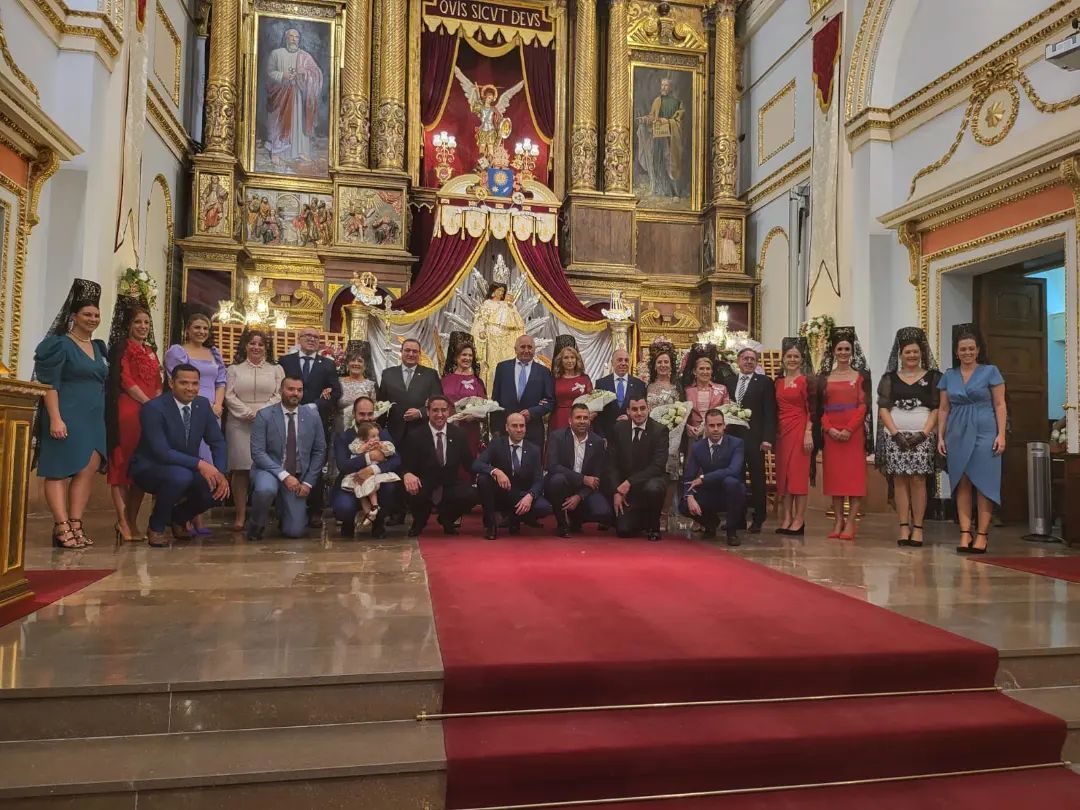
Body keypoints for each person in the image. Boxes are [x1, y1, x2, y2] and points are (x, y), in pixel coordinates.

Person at [33, 279, 108, 549]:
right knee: (59, 470)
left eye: (97, 315)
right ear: (73, 316)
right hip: (65, 414)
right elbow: (49, 385)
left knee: (87, 468)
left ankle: (76, 523)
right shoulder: (59, 345)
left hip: (93, 418)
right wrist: (55, 418)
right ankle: (61, 525)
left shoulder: (100, 348)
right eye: (87, 314)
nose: (92, 319)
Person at [129, 364, 230, 547]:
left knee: (217, 488)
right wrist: (201, 464)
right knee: (180, 476)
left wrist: (220, 472)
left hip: (187, 468)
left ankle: (178, 518)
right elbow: (162, 452)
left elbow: (217, 442)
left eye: (194, 383)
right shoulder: (153, 408)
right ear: (171, 383)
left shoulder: (202, 405)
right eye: (184, 383)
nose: (190, 388)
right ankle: (156, 527)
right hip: (150, 468)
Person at [938, 324, 1006, 554]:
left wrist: (1001, 434)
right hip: (956, 431)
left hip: (985, 429)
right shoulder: (949, 376)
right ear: (957, 352)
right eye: (962, 349)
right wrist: (940, 436)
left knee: (984, 483)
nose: (967, 353)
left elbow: (999, 404)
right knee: (962, 481)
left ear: (977, 350)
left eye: (971, 349)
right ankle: (965, 532)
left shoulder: (990, 372)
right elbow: (944, 408)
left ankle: (983, 534)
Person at [876, 327, 941, 548]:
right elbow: (883, 408)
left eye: (915, 352)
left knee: (918, 479)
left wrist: (924, 433)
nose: (911, 356)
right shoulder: (889, 378)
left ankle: (919, 527)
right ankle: (904, 525)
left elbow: (937, 408)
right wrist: (895, 434)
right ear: (900, 355)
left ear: (921, 353)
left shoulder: (933, 377)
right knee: (900, 479)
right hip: (894, 435)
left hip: (923, 435)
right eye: (907, 352)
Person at [165, 310, 227, 536]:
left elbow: (221, 380)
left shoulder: (214, 352)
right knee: (193, 462)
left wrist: (218, 405)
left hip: (212, 410)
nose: (202, 332)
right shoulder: (178, 351)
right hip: (188, 407)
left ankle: (198, 517)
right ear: (188, 329)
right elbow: (177, 381)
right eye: (197, 327)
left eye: (205, 328)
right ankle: (185, 519)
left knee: (210, 460)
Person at [105, 299, 162, 543]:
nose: (142, 326)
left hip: (150, 411)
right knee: (122, 466)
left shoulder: (151, 351)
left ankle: (132, 519)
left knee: (141, 467)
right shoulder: (122, 347)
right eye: (137, 322)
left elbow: (160, 382)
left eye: (146, 322)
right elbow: (125, 379)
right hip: (129, 411)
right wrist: (148, 402)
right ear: (128, 325)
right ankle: (122, 520)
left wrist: (157, 402)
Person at [247, 377, 328, 540]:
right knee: (265, 490)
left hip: (298, 476)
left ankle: (285, 514)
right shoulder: (265, 415)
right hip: (270, 470)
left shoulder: (312, 416)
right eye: (291, 389)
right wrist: (284, 476)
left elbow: (320, 450)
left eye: (299, 390)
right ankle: (256, 524)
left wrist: (308, 482)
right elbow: (257, 452)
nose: (295, 393)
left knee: (295, 532)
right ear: (281, 390)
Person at [814, 327, 874, 541]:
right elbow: (819, 408)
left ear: (852, 351)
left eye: (847, 349)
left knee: (854, 480)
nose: (843, 352)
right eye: (839, 348)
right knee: (835, 479)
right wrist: (829, 428)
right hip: (831, 433)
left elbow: (862, 406)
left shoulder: (860, 376)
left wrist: (849, 429)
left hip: (853, 433)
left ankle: (851, 522)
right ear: (833, 351)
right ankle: (838, 520)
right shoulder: (824, 377)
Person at [279, 327, 342, 528]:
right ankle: (284, 509)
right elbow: (279, 387)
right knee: (288, 459)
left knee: (315, 462)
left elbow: (335, 391)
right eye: (308, 336)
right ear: (299, 339)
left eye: (316, 337)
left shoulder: (328, 364)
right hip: (287, 417)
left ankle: (315, 510)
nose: (312, 340)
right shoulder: (285, 361)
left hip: (316, 419)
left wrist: (315, 406)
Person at [224, 329, 284, 532]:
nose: (256, 347)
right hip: (240, 423)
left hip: (268, 422)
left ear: (266, 348)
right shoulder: (234, 369)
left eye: (260, 344)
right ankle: (240, 515)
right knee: (241, 469)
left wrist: (262, 412)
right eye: (252, 343)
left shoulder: (276, 370)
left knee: (265, 466)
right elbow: (229, 396)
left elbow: (279, 394)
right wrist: (247, 412)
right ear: (245, 346)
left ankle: (261, 514)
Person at [401, 395, 478, 537]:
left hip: (450, 483)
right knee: (410, 491)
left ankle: (447, 518)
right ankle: (419, 521)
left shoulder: (459, 434)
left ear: (449, 412)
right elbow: (405, 463)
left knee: (472, 494)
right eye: (435, 410)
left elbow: (470, 463)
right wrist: (407, 474)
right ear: (428, 412)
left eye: (444, 410)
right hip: (424, 484)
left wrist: (488, 472)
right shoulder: (415, 435)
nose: (440, 414)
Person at [473, 412, 553, 539]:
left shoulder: (534, 449)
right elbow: (477, 464)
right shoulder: (497, 444)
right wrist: (496, 471)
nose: (519, 429)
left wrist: (530, 495)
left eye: (522, 426)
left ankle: (513, 518)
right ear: (507, 427)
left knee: (544, 508)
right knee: (483, 479)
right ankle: (491, 524)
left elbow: (539, 479)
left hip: (521, 494)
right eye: (514, 426)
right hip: (500, 493)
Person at [724, 345, 777, 533]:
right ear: (738, 361)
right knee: (735, 479)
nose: (748, 361)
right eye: (745, 358)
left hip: (755, 440)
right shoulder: (729, 382)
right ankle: (737, 518)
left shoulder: (764, 382)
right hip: (732, 439)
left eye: (752, 359)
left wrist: (768, 438)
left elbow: (770, 412)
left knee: (757, 481)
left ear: (756, 363)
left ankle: (758, 518)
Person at [332, 396, 401, 539]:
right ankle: (348, 522)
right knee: (344, 507)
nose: (366, 418)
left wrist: (372, 469)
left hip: (376, 482)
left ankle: (378, 522)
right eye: (362, 414)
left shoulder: (382, 433)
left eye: (370, 414)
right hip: (352, 481)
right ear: (354, 414)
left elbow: (396, 460)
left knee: (390, 488)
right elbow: (343, 465)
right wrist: (370, 457)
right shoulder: (344, 437)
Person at [606, 394, 669, 542]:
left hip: (649, 482)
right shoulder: (619, 428)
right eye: (634, 409)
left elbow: (658, 466)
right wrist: (616, 490)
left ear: (649, 409)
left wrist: (629, 482)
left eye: (642, 408)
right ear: (628, 411)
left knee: (654, 487)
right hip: (625, 489)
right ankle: (638, 519)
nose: (639, 413)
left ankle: (653, 526)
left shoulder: (660, 430)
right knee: (623, 531)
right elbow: (611, 463)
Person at [545, 403, 613, 537]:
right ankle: (562, 524)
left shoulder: (598, 442)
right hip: (561, 484)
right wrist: (582, 478)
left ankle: (577, 518)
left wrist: (579, 496)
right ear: (570, 420)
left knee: (602, 511)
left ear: (589, 420)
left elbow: (596, 476)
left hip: (583, 488)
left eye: (585, 418)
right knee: (557, 480)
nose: (582, 421)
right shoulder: (557, 437)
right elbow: (553, 466)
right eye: (578, 417)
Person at [682, 409, 747, 546]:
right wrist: (689, 496)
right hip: (709, 492)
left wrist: (704, 478)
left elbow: (733, 470)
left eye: (719, 425)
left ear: (724, 426)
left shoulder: (737, 444)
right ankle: (711, 523)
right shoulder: (698, 447)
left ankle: (732, 532)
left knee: (732, 483)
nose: (716, 429)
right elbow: (688, 476)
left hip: (730, 492)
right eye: (712, 426)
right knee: (683, 504)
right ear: (705, 427)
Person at [265, 27, 324, 166]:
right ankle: (277, 152)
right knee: (279, 123)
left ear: (299, 39)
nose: (293, 39)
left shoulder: (305, 56)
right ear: (286, 38)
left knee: (299, 122)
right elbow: (269, 72)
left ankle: (301, 151)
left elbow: (316, 72)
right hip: (281, 93)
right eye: (291, 36)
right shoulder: (276, 54)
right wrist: (283, 76)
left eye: (296, 37)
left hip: (300, 94)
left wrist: (305, 73)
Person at [773, 337, 814, 536]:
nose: (792, 359)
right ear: (783, 359)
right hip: (782, 432)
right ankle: (787, 516)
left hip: (799, 429)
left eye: (796, 356)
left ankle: (800, 518)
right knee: (784, 477)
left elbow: (812, 409)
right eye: (789, 356)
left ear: (802, 360)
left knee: (797, 476)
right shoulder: (778, 382)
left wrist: (808, 432)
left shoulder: (806, 381)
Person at [491, 334, 555, 449]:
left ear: (534, 349)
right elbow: (495, 400)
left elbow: (550, 401)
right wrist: (495, 429)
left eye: (530, 347)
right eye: (522, 347)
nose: (526, 350)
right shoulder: (502, 368)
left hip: (533, 431)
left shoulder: (544, 371)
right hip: (506, 431)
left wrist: (532, 412)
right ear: (515, 349)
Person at [378, 338, 444, 446]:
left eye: (415, 351)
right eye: (407, 350)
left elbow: (438, 402)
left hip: (422, 432)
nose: (411, 354)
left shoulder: (431, 375)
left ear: (419, 354)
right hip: (393, 433)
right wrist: (378, 431)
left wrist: (420, 412)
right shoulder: (388, 374)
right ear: (401, 352)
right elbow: (381, 405)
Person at [339, 421, 400, 528]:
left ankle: (375, 507)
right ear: (364, 438)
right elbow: (352, 454)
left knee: (372, 486)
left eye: (377, 435)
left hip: (374, 474)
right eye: (373, 436)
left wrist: (382, 447)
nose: (376, 438)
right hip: (358, 473)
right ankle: (368, 512)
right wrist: (366, 450)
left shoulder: (383, 442)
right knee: (358, 487)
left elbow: (392, 453)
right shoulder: (356, 441)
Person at [635, 76, 685, 199]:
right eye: (662, 85)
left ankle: (674, 192)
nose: (663, 87)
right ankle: (658, 189)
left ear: (670, 87)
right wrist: (645, 119)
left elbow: (678, 121)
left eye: (666, 85)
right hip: (658, 138)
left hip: (670, 138)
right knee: (656, 161)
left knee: (669, 162)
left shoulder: (677, 103)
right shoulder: (657, 101)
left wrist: (667, 121)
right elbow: (653, 117)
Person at [471, 280, 526, 393]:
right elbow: (482, 319)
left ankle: (509, 392)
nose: (501, 293)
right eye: (499, 290)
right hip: (492, 338)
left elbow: (516, 322)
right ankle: (491, 392)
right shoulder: (488, 303)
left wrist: (509, 306)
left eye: (503, 291)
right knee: (493, 365)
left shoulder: (507, 304)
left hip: (507, 339)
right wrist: (481, 330)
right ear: (493, 291)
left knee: (509, 364)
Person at [441, 333, 487, 456]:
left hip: (470, 430)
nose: (467, 358)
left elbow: (484, 408)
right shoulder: (444, 380)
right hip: (447, 428)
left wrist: (473, 415)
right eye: (464, 354)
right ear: (456, 357)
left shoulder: (477, 382)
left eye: (470, 355)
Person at [594, 348, 647, 438]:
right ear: (612, 362)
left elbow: (643, 411)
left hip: (632, 436)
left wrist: (630, 418)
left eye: (626, 360)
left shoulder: (639, 385)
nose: (623, 363)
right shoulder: (601, 384)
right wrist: (601, 437)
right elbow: (597, 415)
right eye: (619, 360)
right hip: (607, 437)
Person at [684, 356, 729, 440]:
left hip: (716, 435)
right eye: (701, 368)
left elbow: (727, 413)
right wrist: (687, 427)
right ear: (694, 371)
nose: (705, 372)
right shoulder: (687, 391)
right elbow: (683, 414)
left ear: (711, 371)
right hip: (694, 435)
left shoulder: (722, 389)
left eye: (708, 369)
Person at [334, 348, 377, 435]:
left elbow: (374, 410)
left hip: (363, 428)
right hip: (340, 427)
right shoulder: (338, 382)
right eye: (353, 360)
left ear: (364, 365)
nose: (356, 363)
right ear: (347, 364)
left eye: (360, 361)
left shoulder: (371, 385)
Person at [550, 345, 592, 432]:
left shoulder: (584, 379)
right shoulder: (555, 379)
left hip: (580, 419)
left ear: (577, 360)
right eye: (566, 358)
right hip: (559, 418)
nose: (570, 361)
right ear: (561, 361)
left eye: (572, 357)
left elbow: (592, 400)